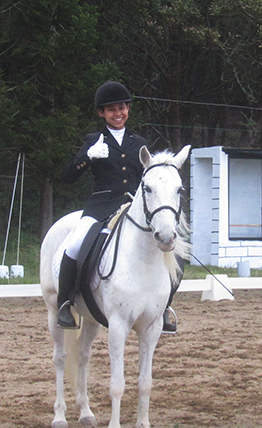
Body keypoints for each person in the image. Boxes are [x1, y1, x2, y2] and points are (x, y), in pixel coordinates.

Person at [56, 80, 181, 333]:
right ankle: (65, 302)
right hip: (101, 206)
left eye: (122, 108)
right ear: (102, 113)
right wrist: (86, 157)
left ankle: (164, 306)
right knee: (76, 244)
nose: (118, 113)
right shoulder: (93, 140)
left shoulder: (139, 142)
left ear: (128, 110)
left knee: (173, 252)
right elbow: (67, 176)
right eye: (111, 109)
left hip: (133, 208)